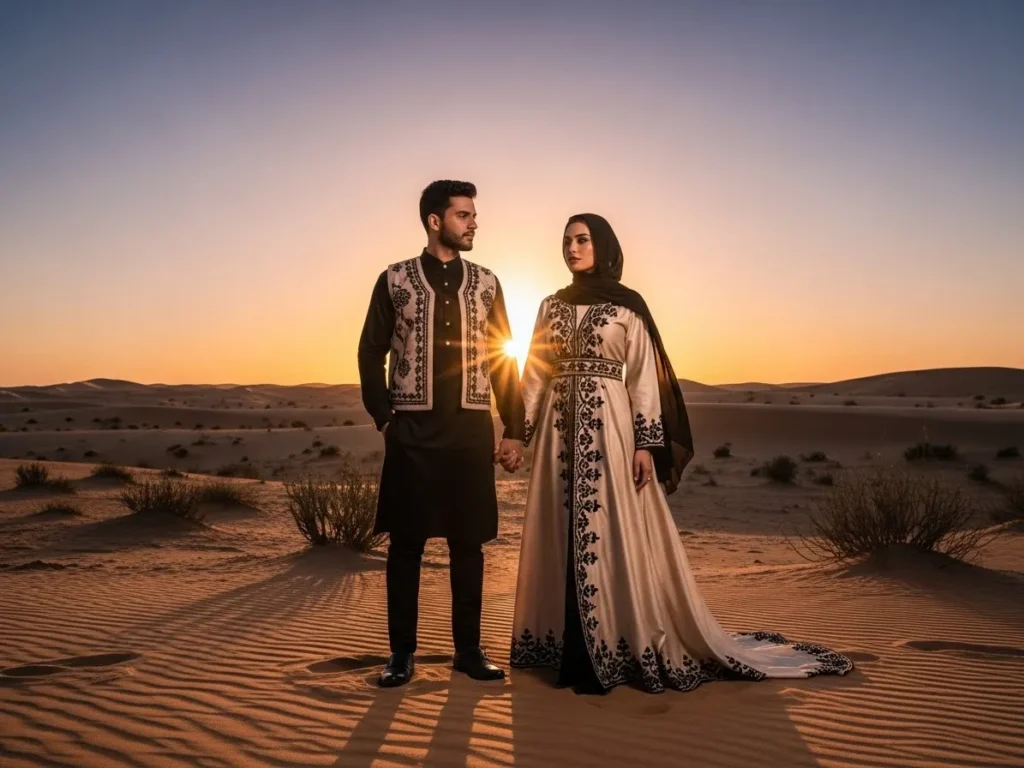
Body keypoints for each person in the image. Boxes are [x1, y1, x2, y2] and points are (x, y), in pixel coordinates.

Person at [510, 213, 854, 694]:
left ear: (602, 245)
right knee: (559, 532)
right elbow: (534, 374)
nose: (571, 248)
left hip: (612, 436)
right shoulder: (550, 306)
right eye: (566, 240)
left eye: (582, 240)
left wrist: (647, 445)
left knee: (609, 536)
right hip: (556, 442)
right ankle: (563, 645)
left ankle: (614, 648)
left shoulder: (628, 306)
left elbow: (643, 380)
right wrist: (516, 433)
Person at [358, 180, 526, 688]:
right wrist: (386, 419)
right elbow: (370, 352)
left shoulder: (488, 282)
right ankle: (401, 655)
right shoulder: (394, 280)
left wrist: (514, 429)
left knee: (468, 545)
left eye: (473, 215)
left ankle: (468, 651)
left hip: (471, 432)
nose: (474, 223)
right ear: (436, 221)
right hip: (412, 433)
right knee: (406, 546)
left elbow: (503, 357)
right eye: (464, 215)